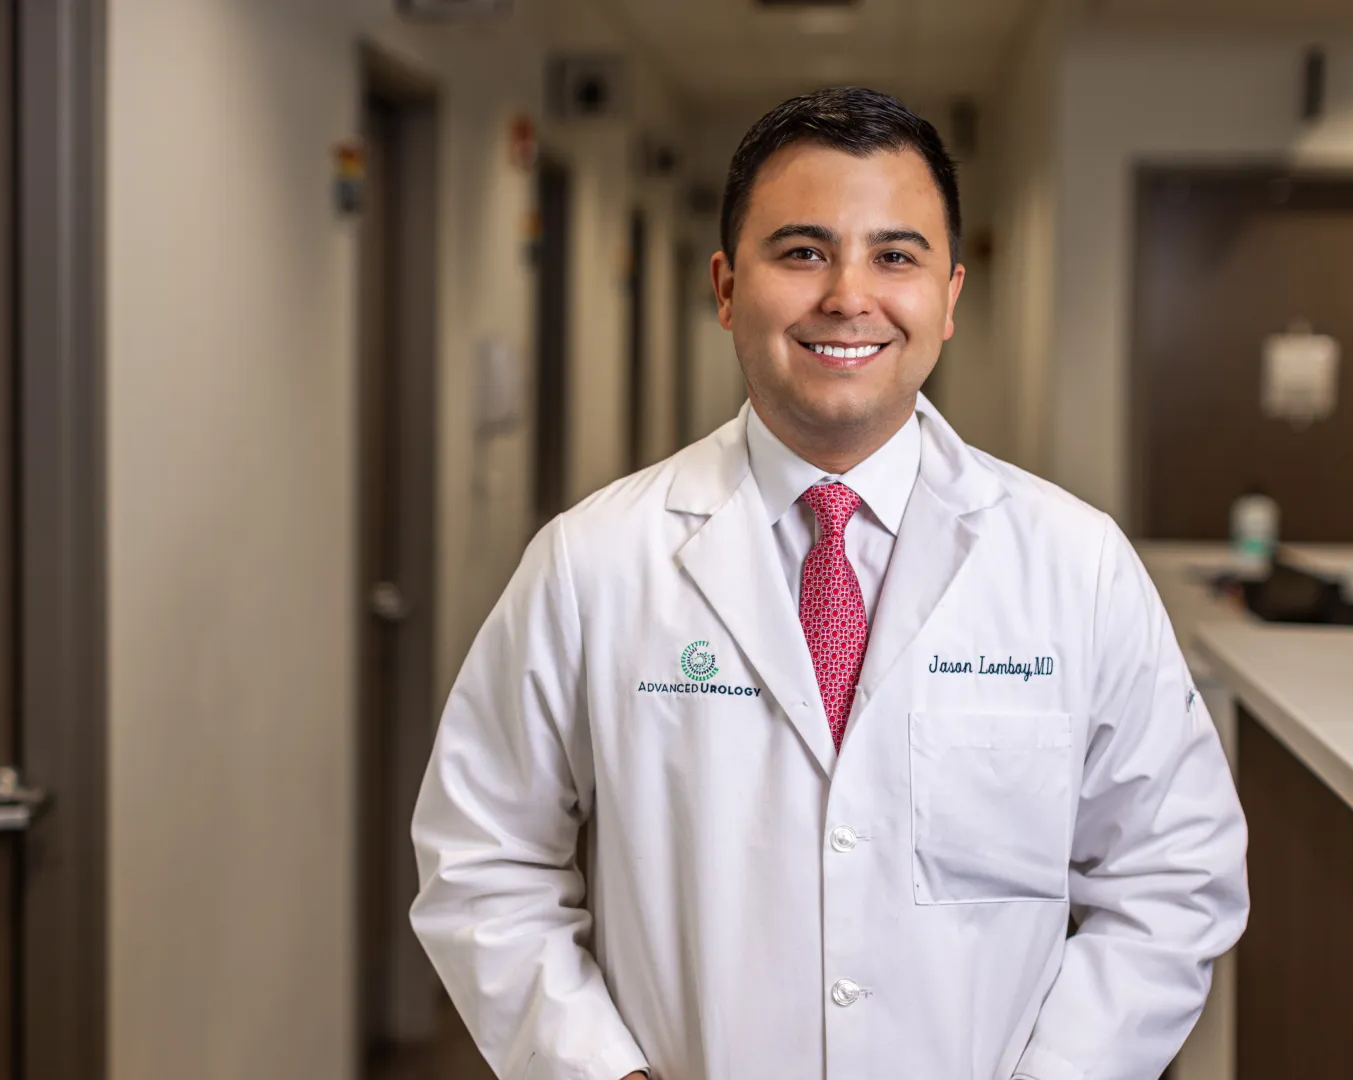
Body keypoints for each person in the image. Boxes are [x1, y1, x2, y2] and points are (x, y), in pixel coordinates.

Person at [409, 86, 1247, 1080]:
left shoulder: (1076, 565)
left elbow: (1173, 874)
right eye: (802, 251)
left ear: (948, 296)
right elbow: (482, 858)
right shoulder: (593, 562)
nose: (849, 294)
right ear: (725, 287)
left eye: (896, 255)